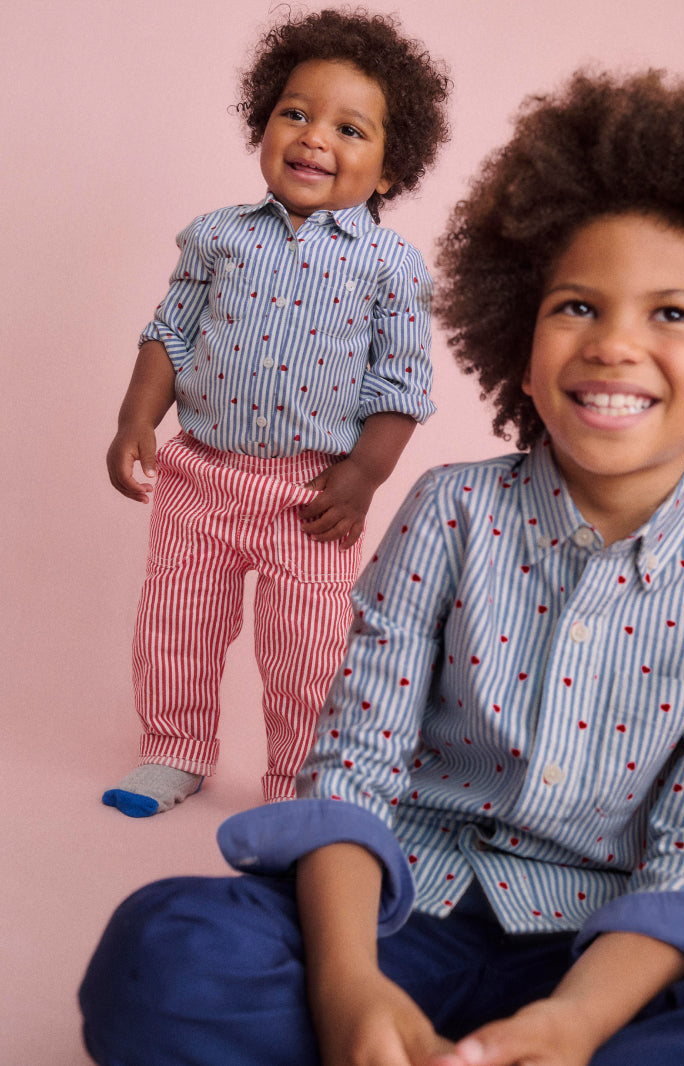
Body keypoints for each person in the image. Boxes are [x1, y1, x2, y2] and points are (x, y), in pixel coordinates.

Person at [81, 70, 684, 1064]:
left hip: (594, 958)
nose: (615, 343)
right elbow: (353, 756)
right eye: (576, 305)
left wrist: (573, 1023)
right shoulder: (449, 510)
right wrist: (348, 985)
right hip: (398, 914)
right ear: (521, 353)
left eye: (670, 315)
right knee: (163, 952)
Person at [101, 10, 450, 815]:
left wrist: (361, 479)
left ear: (391, 169)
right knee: (176, 626)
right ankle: (175, 749)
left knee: (309, 650)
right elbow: (169, 335)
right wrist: (135, 421)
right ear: (263, 122)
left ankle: (303, 781)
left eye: (349, 128)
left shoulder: (391, 267)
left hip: (310, 495)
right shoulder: (217, 237)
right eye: (295, 112)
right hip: (200, 477)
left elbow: (399, 387)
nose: (313, 137)